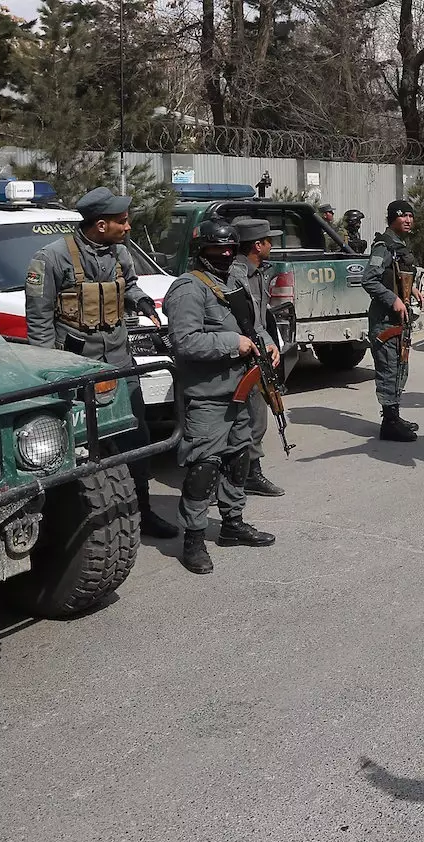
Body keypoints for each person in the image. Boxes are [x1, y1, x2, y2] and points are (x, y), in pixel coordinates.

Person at [24, 186, 179, 539]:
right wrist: (49, 375)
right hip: (76, 369)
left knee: (136, 437)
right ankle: (71, 523)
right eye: (122, 221)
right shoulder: (51, 258)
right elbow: (39, 321)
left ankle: (142, 510)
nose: (128, 226)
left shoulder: (120, 253)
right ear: (100, 225)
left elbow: (130, 286)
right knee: (78, 445)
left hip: (120, 363)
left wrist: (141, 301)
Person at [162, 219, 278, 575]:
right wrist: (232, 343)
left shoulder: (235, 281)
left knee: (239, 458)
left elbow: (252, 325)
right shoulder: (188, 289)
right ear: (202, 250)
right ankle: (194, 539)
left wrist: (267, 343)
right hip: (208, 394)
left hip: (241, 389)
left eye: (230, 248)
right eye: (217, 248)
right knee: (204, 467)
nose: (225, 254)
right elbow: (184, 342)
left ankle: (232, 524)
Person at [228, 217, 285, 497]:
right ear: (257, 245)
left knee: (258, 416)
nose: (272, 245)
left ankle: (249, 472)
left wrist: (271, 345)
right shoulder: (236, 275)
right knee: (246, 419)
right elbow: (239, 323)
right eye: (269, 241)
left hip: (256, 348)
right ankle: (242, 475)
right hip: (238, 352)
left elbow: (259, 321)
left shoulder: (258, 272)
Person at [360, 200, 421, 442]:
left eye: (410, 216)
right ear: (392, 218)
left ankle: (394, 416)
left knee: (399, 368)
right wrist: (393, 299)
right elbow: (369, 280)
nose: (408, 220)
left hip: (398, 321)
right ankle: (389, 423)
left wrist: (411, 289)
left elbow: (393, 275)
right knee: (388, 369)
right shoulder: (383, 246)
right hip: (385, 321)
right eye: (402, 216)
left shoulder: (398, 246)